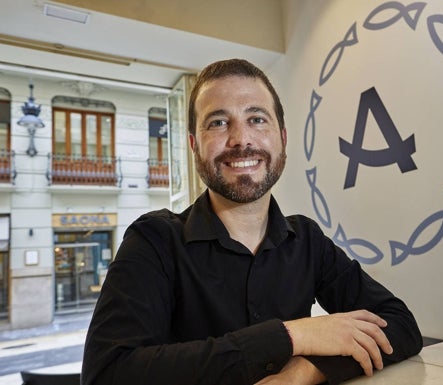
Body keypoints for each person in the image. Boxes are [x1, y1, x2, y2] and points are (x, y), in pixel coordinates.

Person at [81, 58, 423, 385]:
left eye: (257, 119)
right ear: (194, 146)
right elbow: (109, 374)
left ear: (282, 138)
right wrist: (293, 336)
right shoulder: (153, 240)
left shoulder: (307, 239)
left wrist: (302, 373)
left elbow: (400, 326)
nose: (241, 139)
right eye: (217, 122)